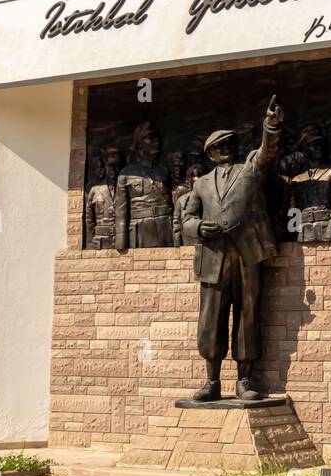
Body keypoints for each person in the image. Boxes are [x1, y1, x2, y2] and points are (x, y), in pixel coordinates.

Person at [180, 96, 284, 401]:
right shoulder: (200, 185)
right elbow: (186, 219)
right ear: (210, 154)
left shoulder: (250, 168)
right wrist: (199, 228)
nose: (226, 148)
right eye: (219, 146)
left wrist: (271, 125)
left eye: (229, 143)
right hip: (213, 257)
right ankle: (212, 380)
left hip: (247, 255)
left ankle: (244, 381)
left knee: (248, 314)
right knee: (211, 317)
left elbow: (268, 152)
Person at [114, 122, 174, 250]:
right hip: (140, 230)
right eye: (150, 138)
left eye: (157, 137)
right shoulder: (126, 174)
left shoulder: (164, 171)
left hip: (165, 228)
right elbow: (121, 211)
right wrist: (121, 241)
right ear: (140, 143)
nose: (156, 141)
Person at [286, 122, 331, 243]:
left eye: (321, 144)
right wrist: (292, 234)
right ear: (305, 149)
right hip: (303, 231)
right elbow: (293, 209)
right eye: (313, 145)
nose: (319, 148)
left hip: (325, 228)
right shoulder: (297, 179)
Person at [84, 147, 122, 249]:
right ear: (105, 166)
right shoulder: (95, 190)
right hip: (100, 241)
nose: (114, 169)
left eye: (117, 165)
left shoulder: (128, 189)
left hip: (122, 240)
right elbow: (89, 219)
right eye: (110, 165)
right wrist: (92, 239)